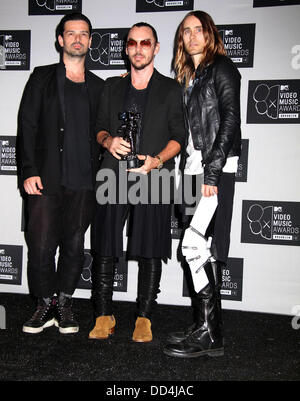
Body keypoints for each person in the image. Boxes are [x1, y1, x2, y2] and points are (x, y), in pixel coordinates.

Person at [89, 22, 186, 342]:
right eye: (132, 43)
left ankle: (144, 316)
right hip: (112, 171)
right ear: (126, 48)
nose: (138, 48)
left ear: (156, 48)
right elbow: (100, 128)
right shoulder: (110, 87)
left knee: (151, 246)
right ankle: (104, 313)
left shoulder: (172, 89)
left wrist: (157, 160)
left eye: (146, 42)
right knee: (104, 246)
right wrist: (108, 142)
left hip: (154, 173)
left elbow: (179, 137)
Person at [18, 13, 104, 334]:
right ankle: (44, 304)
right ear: (61, 39)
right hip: (46, 178)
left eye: (84, 34)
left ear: (91, 41)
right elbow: (27, 126)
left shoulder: (99, 87)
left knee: (73, 246)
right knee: (40, 245)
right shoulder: (41, 78)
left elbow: (106, 129)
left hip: (84, 181)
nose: (78, 39)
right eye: (72, 33)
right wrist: (28, 169)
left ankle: (65, 304)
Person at [163, 10, 241, 358]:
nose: (192, 36)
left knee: (192, 248)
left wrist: (213, 172)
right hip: (192, 170)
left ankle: (210, 331)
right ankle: (206, 328)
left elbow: (230, 121)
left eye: (198, 30)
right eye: (186, 31)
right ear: (181, 39)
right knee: (201, 251)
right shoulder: (187, 77)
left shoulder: (222, 69)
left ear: (209, 34)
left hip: (213, 170)